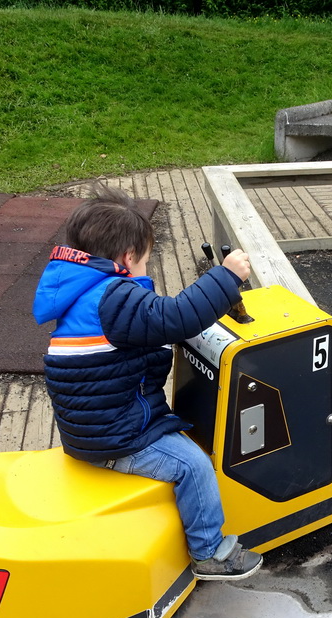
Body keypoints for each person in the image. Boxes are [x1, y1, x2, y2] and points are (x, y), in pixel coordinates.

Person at [32, 189, 262, 581]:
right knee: (193, 465)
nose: (144, 268)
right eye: (144, 261)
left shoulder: (83, 291)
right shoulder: (114, 297)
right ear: (126, 259)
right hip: (115, 436)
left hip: (94, 426)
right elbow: (177, 317)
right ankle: (210, 553)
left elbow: (153, 320)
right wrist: (227, 276)